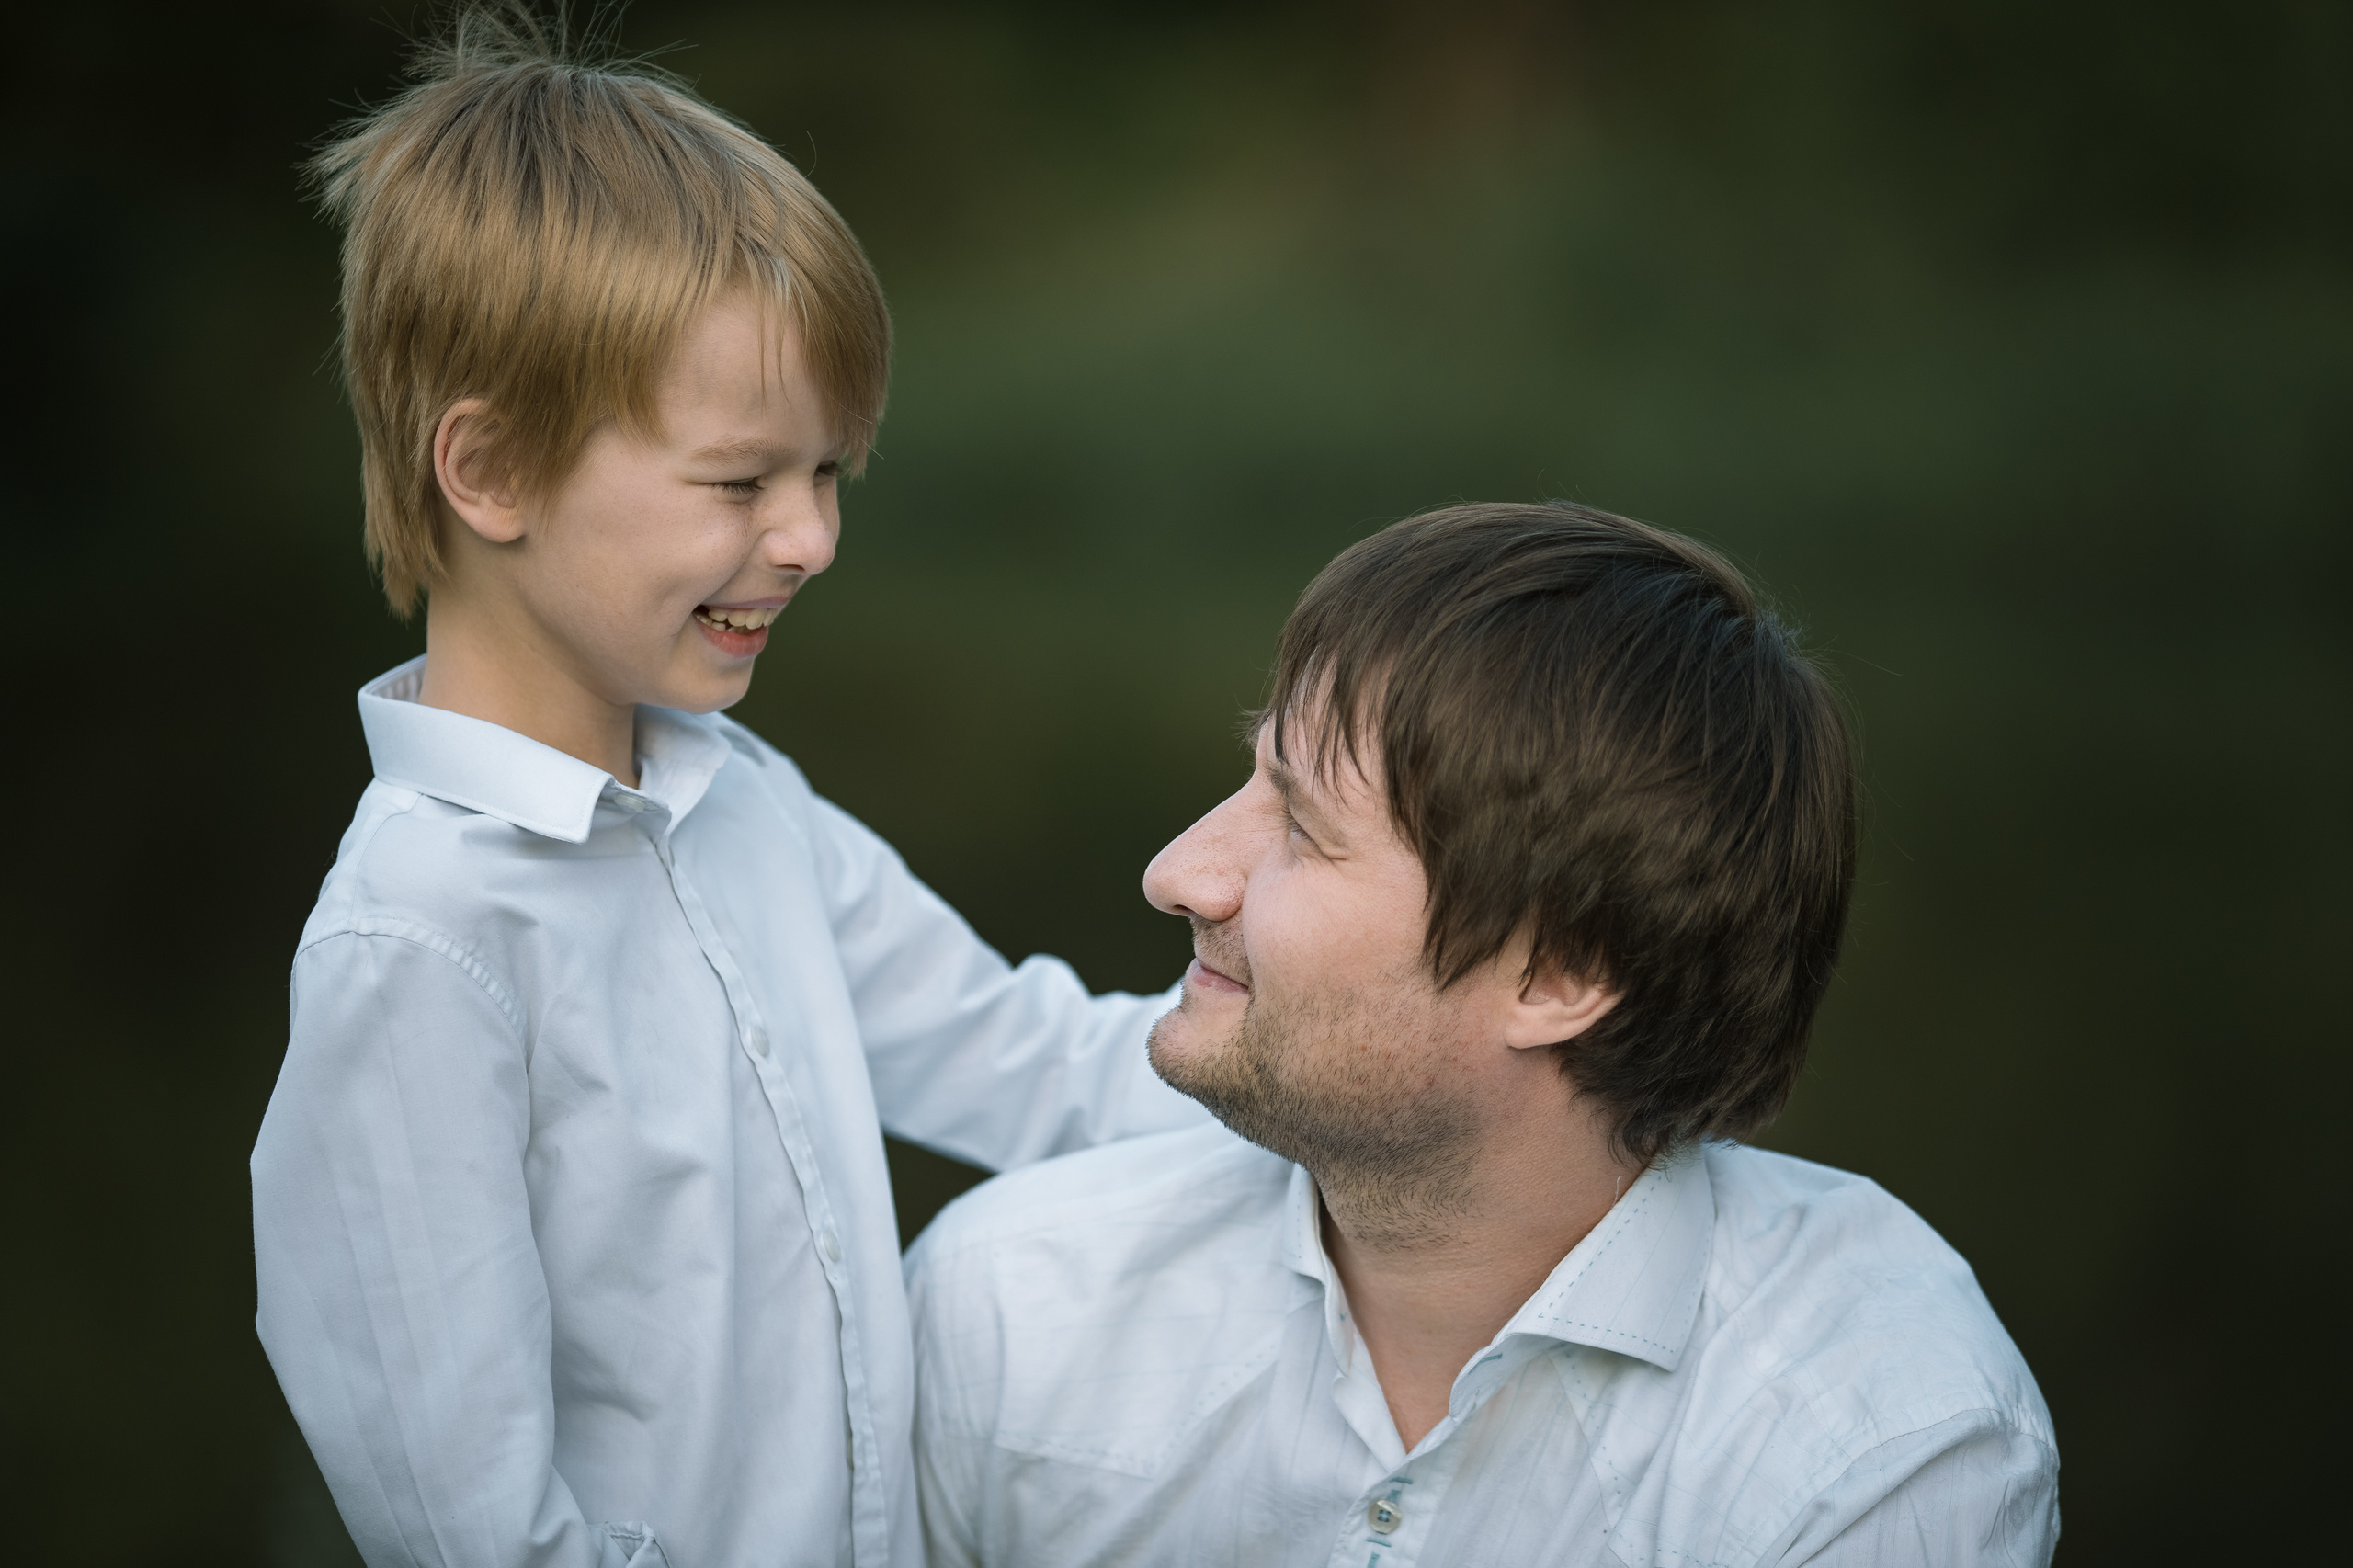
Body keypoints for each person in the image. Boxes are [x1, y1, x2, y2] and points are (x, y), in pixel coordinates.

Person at [248, 10, 1202, 1567]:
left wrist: (1376, 1089)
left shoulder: (744, 805)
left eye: (827, 473)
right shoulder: (416, 944)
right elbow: (472, 1524)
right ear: (488, 471)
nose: (812, 537)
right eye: (741, 480)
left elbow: (1042, 1069)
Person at [906, 502, 2060, 1567]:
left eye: (1302, 826)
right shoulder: (1011, 1306)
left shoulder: (1871, 1445)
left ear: (1559, 972)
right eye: (1250, 779)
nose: (1179, 872)